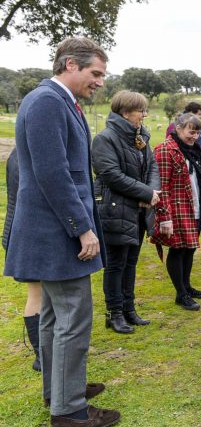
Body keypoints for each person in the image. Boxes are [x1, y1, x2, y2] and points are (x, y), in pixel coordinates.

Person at [4, 37, 120, 426]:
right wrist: (82, 229)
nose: (100, 81)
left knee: (55, 318)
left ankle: (60, 389)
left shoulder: (56, 102)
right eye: (95, 73)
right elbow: (53, 175)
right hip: (57, 234)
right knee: (73, 319)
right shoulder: (46, 103)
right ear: (70, 64)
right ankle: (70, 411)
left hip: (54, 232)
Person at [92, 90, 160, 334]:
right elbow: (110, 175)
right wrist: (145, 193)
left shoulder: (141, 138)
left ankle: (129, 309)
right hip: (114, 210)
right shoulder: (105, 139)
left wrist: (151, 192)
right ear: (124, 112)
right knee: (116, 263)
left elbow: (152, 166)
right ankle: (114, 313)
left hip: (137, 211)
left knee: (131, 261)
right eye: (140, 110)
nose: (144, 114)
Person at [152, 112, 201, 311]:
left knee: (190, 248)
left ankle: (187, 287)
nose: (195, 137)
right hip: (177, 207)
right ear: (178, 128)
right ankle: (181, 294)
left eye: (198, 132)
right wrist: (164, 217)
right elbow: (162, 185)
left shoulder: (196, 150)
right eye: (191, 132)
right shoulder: (166, 150)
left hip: (195, 206)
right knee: (178, 249)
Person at [3, 148, 42, 371]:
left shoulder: (19, 152)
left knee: (41, 294)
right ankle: (42, 355)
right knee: (37, 294)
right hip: (27, 233)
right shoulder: (24, 155)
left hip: (21, 231)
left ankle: (46, 351)